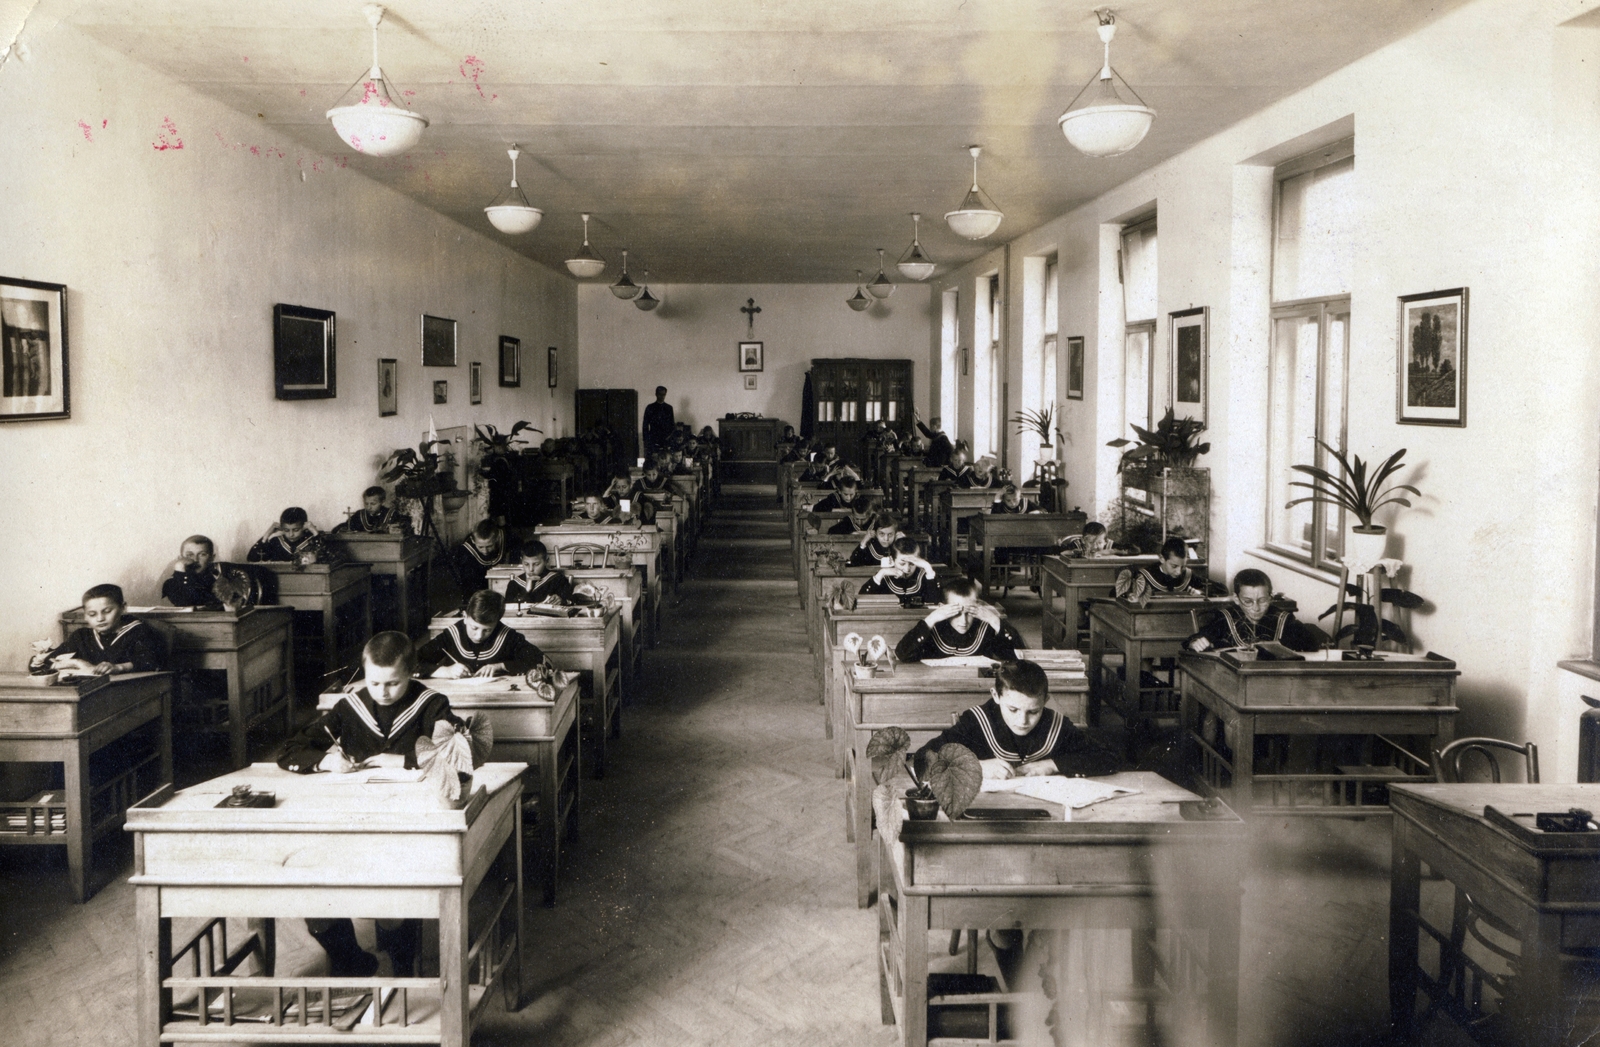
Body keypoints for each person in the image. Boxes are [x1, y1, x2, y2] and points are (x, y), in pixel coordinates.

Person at [278, 631, 465, 977]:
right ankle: (350, 960)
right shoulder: (351, 706)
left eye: (393, 683)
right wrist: (324, 762)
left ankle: (401, 966)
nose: (382, 691)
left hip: (410, 821)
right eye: (374, 681)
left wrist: (404, 761)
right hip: (351, 816)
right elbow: (289, 750)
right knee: (314, 894)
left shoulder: (432, 704)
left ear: (411, 673)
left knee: (395, 896)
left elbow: (454, 752)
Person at [913, 659, 1119, 780]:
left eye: (1033, 712)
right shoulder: (976, 721)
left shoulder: (1055, 724)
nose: (1022, 721)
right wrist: (976, 766)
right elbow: (923, 759)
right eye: (1013, 709)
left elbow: (1109, 758)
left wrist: (1053, 764)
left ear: (1045, 701)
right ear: (996, 696)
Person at [31, 583, 167, 676]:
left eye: (107, 611)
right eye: (92, 614)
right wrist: (77, 662)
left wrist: (117, 667)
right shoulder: (81, 636)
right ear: (85, 615)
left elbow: (150, 662)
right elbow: (45, 663)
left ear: (123, 608)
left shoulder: (139, 631)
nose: (100, 618)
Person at [1185, 568, 1324, 652]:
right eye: (1248, 601)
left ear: (1271, 597)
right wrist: (1195, 642)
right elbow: (1195, 639)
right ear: (1236, 599)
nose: (1256, 608)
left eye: (1262, 600)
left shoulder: (1283, 618)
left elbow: (1312, 643)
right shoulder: (1225, 618)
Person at [418, 590, 546, 677]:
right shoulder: (451, 634)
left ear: (497, 622)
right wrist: (445, 671)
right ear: (465, 616)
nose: (479, 636)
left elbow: (541, 661)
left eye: (487, 630)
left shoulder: (507, 636)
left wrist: (501, 666)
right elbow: (412, 663)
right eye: (474, 628)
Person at [896, 577, 1025, 661]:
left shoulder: (984, 629)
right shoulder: (933, 628)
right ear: (943, 609)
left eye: (969, 613)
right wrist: (931, 619)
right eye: (956, 613)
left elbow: (1019, 656)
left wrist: (994, 620)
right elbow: (902, 654)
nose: (963, 621)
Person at [1115, 537, 1203, 605]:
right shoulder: (1143, 576)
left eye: (1183, 566)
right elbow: (1119, 594)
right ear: (1162, 559)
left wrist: (1199, 593)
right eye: (1174, 566)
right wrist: (1131, 597)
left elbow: (1207, 590)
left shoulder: (1188, 574)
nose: (1179, 572)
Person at [858, 536, 943, 607]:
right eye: (902, 564)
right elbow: (862, 599)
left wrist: (928, 567)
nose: (907, 569)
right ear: (892, 560)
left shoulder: (924, 575)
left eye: (912, 564)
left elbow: (935, 603)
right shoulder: (884, 576)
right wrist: (881, 573)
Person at [503, 541, 578, 605]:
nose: (531, 569)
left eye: (536, 564)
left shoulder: (558, 580)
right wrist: (527, 590)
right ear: (521, 560)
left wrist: (562, 600)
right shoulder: (514, 583)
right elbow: (509, 607)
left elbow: (570, 601)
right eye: (526, 564)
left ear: (546, 561)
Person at [448, 520, 507, 597]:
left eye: (489, 546)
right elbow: (468, 585)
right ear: (473, 541)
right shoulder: (465, 552)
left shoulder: (505, 537)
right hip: (478, 582)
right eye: (480, 547)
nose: (485, 551)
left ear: (496, 539)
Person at [247, 507, 327, 563]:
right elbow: (252, 558)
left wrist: (315, 532)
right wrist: (267, 534)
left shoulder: (312, 540)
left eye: (296, 530)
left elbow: (326, 557)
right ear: (281, 528)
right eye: (286, 530)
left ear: (304, 527)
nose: (291, 534)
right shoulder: (276, 542)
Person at [334, 486, 408, 534]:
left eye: (373, 504)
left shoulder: (392, 514)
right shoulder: (360, 515)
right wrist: (342, 529)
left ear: (382, 502)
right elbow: (345, 527)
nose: (369, 507)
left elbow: (404, 528)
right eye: (366, 503)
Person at [1058, 521, 1123, 558]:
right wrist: (1074, 553)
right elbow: (1055, 550)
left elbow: (1131, 550)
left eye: (1099, 543)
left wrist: (1113, 551)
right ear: (1083, 540)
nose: (1094, 546)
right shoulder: (1078, 544)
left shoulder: (1109, 544)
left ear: (1105, 541)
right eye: (1091, 542)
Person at [642, 385, 675, 456]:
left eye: (664, 395)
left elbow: (672, 424)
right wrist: (646, 440)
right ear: (656, 394)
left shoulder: (669, 408)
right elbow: (645, 425)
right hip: (653, 438)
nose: (662, 397)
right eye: (660, 394)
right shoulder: (650, 407)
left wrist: (669, 437)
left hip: (666, 438)